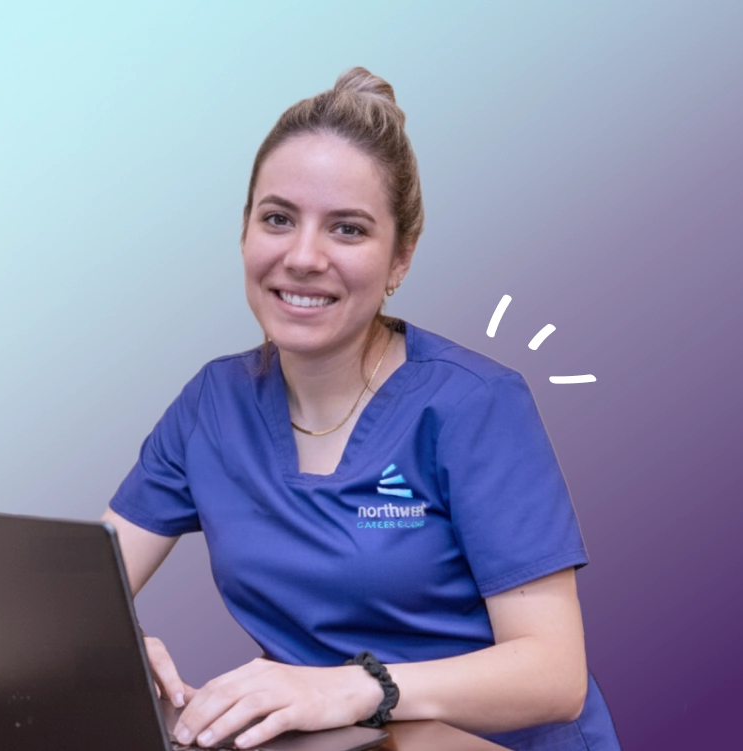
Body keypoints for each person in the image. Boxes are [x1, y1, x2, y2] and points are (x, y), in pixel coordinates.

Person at [101, 68, 620, 751]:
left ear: (400, 259)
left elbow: (554, 674)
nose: (303, 256)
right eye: (278, 219)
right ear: (244, 232)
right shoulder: (212, 406)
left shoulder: (473, 405)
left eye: (347, 229)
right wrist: (113, 643)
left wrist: (353, 688)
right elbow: (74, 589)